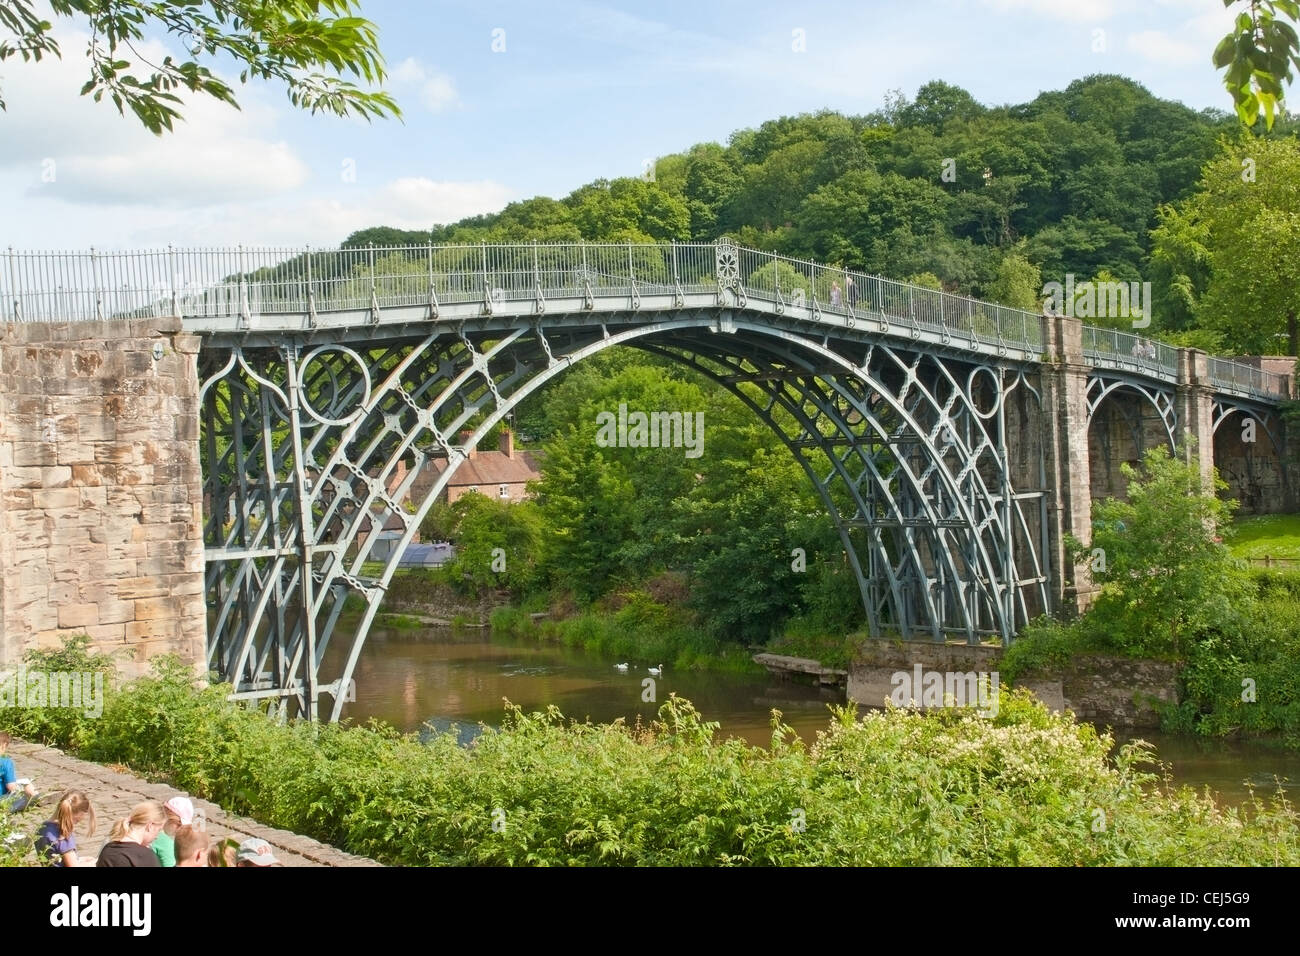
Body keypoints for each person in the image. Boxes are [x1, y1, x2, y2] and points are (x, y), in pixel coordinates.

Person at [34, 790, 96, 867]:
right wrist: (94, 863)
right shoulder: (63, 835)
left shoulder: (42, 828)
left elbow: (59, 859)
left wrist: (80, 860)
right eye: (76, 821)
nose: (74, 824)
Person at [97, 801, 164, 867]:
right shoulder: (145, 856)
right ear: (150, 826)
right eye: (159, 830)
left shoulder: (108, 849)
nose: (157, 837)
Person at [152, 796, 198, 867]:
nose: (180, 830)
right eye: (179, 824)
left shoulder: (150, 830)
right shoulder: (166, 842)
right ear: (170, 818)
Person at [0, 732, 38, 813]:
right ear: (4, 745)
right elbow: (11, 787)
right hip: (2, 800)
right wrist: (24, 786)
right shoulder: (5, 762)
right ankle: (33, 797)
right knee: (27, 788)